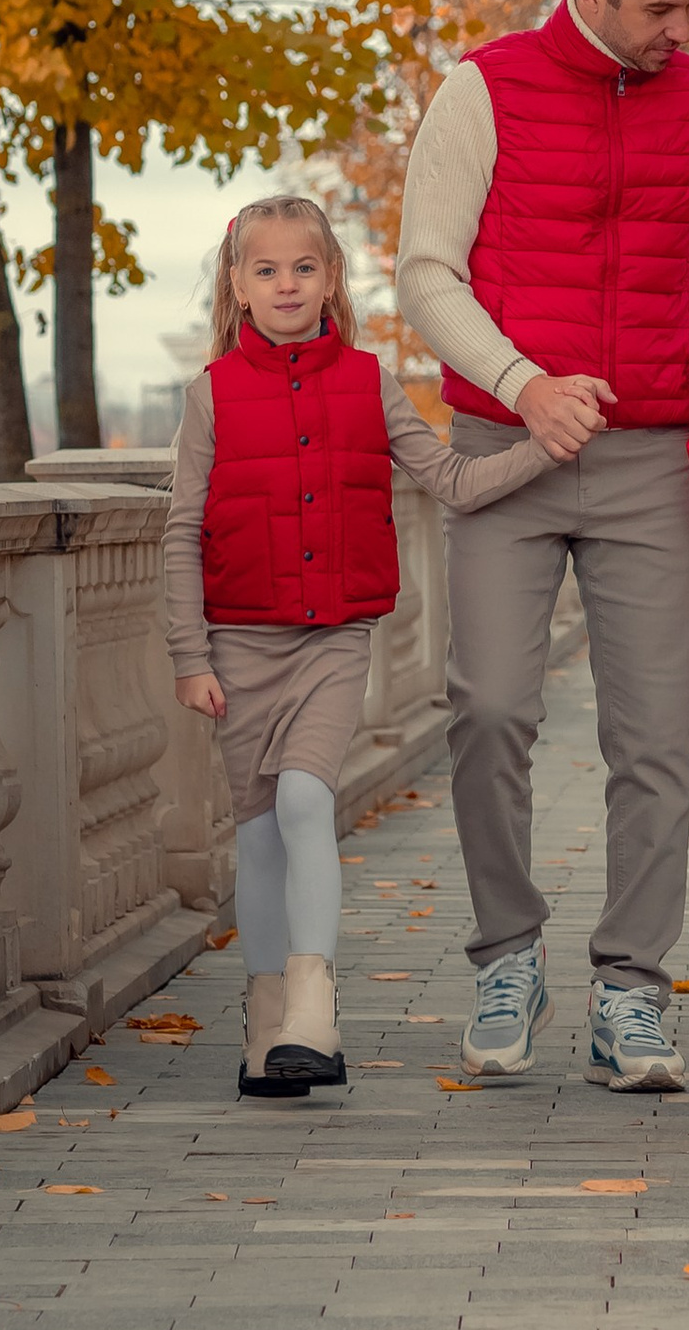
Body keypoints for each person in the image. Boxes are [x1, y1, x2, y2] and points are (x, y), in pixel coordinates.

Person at [396, 0, 689, 1093]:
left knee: (654, 737)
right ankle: (507, 952)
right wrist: (523, 380)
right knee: (491, 707)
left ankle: (630, 993)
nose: (681, 28)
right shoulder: (482, 88)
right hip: (508, 450)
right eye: (662, 8)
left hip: (650, 458)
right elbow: (425, 276)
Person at [164, 195, 554, 1099]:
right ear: (238, 286)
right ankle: (269, 1036)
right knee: (258, 838)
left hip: (333, 640)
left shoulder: (370, 382)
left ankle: (314, 1009)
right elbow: (180, 528)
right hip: (236, 643)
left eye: (304, 267)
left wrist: (543, 447)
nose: (286, 283)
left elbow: (450, 477)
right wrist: (190, 655)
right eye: (266, 270)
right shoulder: (209, 396)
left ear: (332, 278)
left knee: (304, 800)